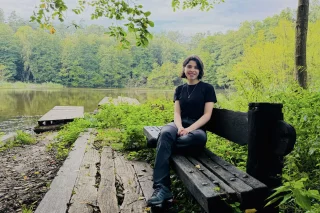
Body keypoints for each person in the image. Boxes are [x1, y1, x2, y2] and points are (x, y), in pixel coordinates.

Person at [147, 55, 217, 207]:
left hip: (196, 128)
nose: (192, 70)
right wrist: (179, 127)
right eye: (189, 66)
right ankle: (162, 188)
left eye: (196, 67)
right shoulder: (179, 89)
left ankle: (161, 142)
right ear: (184, 69)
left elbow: (207, 115)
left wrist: (189, 129)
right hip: (178, 125)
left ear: (200, 70)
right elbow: (177, 113)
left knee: (196, 139)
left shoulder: (207, 88)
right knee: (166, 133)